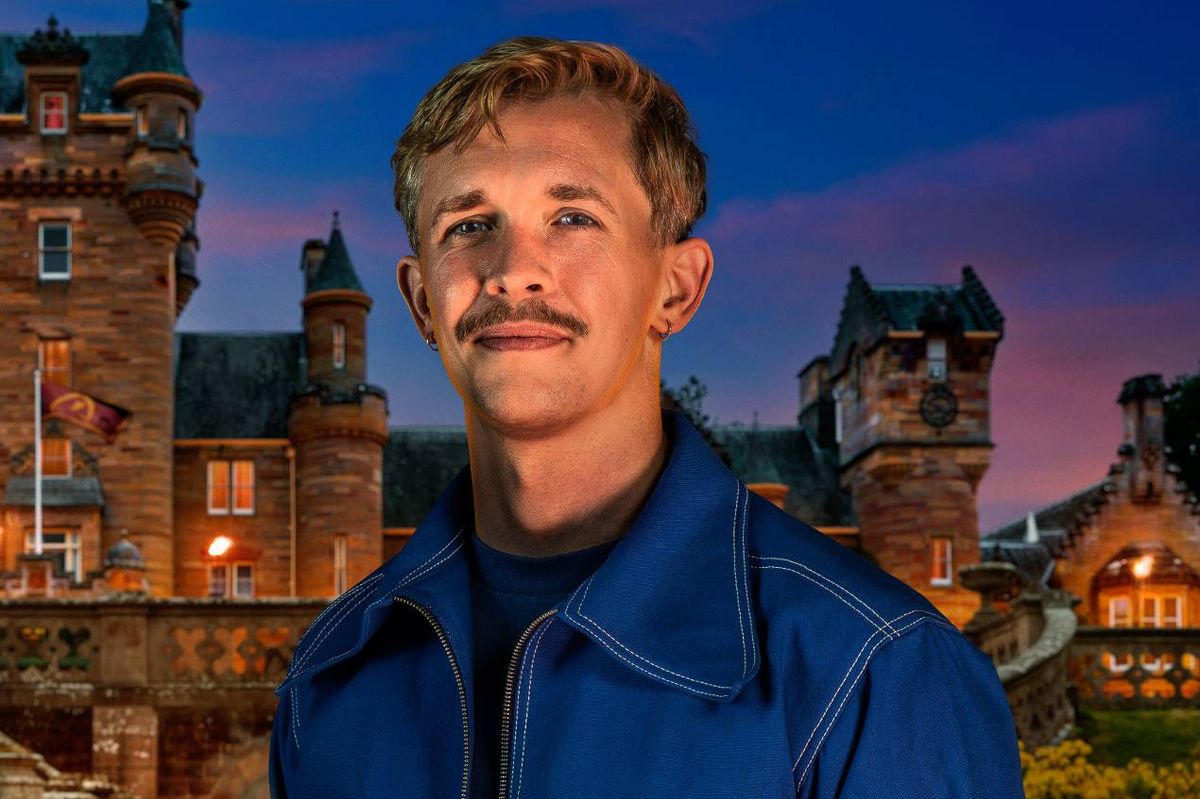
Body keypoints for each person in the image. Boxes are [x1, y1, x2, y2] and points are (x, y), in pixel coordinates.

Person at [269, 36, 1026, 798]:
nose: (510, 271)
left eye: (572, 217)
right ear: (421, 299)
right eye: (468, 225)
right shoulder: (331, 674)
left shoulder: (875, 671)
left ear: (676, 286)